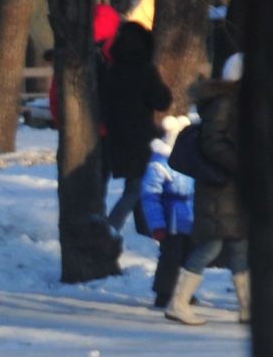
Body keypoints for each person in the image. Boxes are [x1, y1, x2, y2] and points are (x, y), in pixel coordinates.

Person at [168, 53, 247, 326]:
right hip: (220, 186)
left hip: (230, 186)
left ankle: (248, 308)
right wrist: (240, 164)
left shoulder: (236, 101)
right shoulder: (226, 101)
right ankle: (178, 303)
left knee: (239, 244)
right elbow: (213, 143)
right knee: (212, 245)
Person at [100, 21, 171, 236]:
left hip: (116, 136)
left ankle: (146, 230)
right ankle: (109, 228)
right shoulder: (145, 70)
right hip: (141, 137)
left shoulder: (111, 70)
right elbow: (162, 101)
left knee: (137, 185)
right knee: (137, 187)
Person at [142, 115, 198, 310]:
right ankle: (164, 293)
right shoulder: (160, 165)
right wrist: (157, 224)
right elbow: (150, 196)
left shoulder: (194, 161)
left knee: (190, 257)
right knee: (170, 257)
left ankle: (184, 292)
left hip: (192, 218)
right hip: (172, 221)